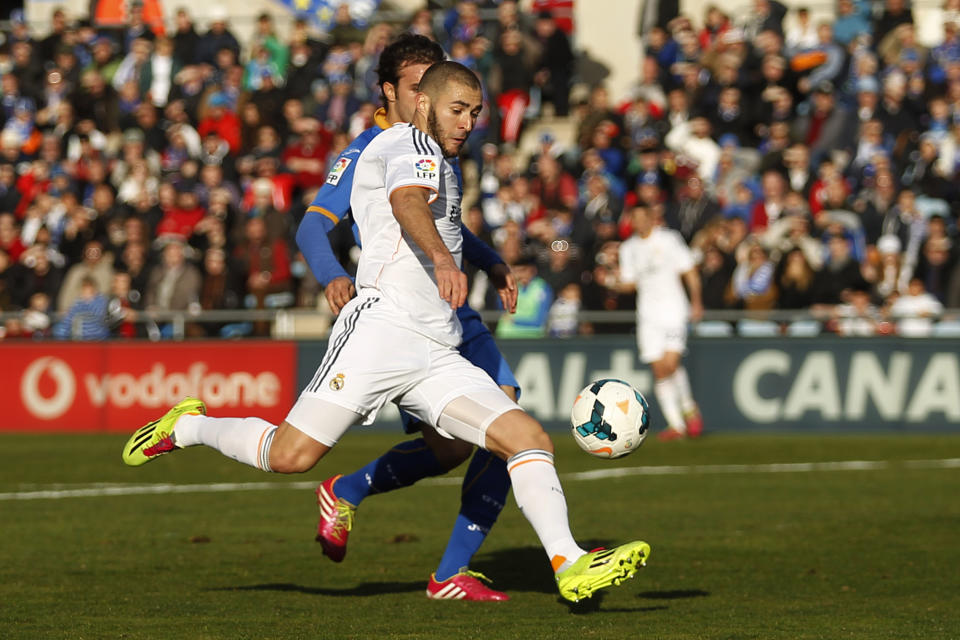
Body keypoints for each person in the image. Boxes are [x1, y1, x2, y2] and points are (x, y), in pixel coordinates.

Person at [122, 61, 650, 604]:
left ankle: (570, 564)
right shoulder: (409, 145)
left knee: (527, 439)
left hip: (436, 346)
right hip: (381, 333)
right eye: (457, 110)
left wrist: (486, 259)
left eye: (474, 112)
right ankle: (189, 427)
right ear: (420, 103)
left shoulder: (441, 158)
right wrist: (446, 263)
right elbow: (405, 202)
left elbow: (435, 214)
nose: (468, 122)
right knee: (288, 455)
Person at [295, 35, 520, 601]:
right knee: (462, 444)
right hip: (397, 314)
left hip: (449, 304)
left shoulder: (439, 142)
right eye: (420, 85)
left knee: (488, 429)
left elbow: (441, 220)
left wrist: (489, 258)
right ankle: (360, 499)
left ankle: (440, 564)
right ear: (391, 91)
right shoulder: (370, 147)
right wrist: (331, 276)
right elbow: (311, 226)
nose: (432, 95)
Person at [618, 205, 705, 440]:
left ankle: (688, 406)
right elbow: (628, 283)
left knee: (671, 362)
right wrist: (610, 281)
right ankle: (677, 425)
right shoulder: (628, 248)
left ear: (651, 218)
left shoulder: (669, 239)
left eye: (642, 217)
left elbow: (689, 270)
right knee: (659, 369)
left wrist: (696, 301)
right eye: (634, 218)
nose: (639, 222)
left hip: (674, 309)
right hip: (648, 314)